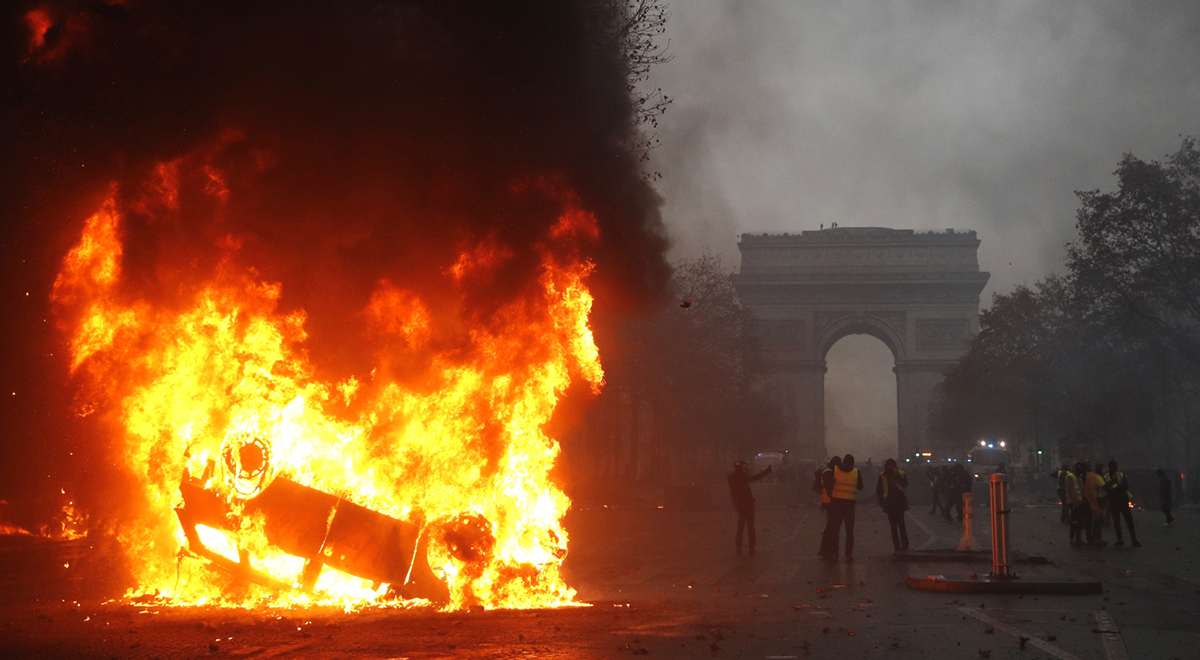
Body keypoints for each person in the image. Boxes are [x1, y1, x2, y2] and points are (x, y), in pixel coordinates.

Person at [820, 453, 863, 560]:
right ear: (852, 463)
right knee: (849, 531)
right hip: (849, 505)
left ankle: (835, 553)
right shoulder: (856, 472)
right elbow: (861, 487)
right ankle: (848, 554)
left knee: (836, 530)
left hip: (837, 504)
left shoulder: (835, 469)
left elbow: (829, 482)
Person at [728, 460, 772, 555]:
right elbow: (754, 478)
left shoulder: (732, 477)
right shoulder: (742, 476)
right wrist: (766, 471)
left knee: (741, 526)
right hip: (747, 504)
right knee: (750, 526)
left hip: (739, 504)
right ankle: (751, 547)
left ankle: (739, 548)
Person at [876, 458, 909, 554]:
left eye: (892, 465)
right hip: (889, 503)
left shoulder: (901, 473)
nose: (891, 467)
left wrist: (897, 475)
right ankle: (897, 547)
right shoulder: (882, 475)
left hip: (899, 502)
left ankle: (905, 545)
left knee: (901, 525)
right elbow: (879, 490)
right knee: (893, 527)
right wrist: (881, 502)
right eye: (889, 465)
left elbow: (905, 484)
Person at [1106, 461, 1140, 547]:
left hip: (1121, 500)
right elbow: (1107, 489)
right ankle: (1123, 539)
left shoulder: (1120, 475)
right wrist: (1118, 486)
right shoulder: (1107, 477)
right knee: (1118, 521)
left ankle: (1132, 539)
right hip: (1117, 501)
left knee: (1127, 520)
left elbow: (1125, 486)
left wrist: (1114, 487)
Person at [816, 457, 841, 556]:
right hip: (830, 502)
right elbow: (829, 488)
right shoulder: (828, 472)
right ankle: (825, 548)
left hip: (829, 502)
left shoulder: (829, 471)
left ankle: (825, 548)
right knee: (831, 526)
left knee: (830, 526)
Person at [1084, 462, 1107, 546]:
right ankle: (1097, 538)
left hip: (1086, 500)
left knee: (1088, 521)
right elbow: (1104, 487)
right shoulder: (1096, 477)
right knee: (1098, 520)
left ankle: (1089, 538)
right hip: (1096, 501)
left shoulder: (1084, 477)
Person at [1065, 462, 1086, 546]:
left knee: (1080, 521)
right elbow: (1071, 490)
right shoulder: (1069, 477)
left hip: (1080, 502)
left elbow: (1081, 489)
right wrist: (1075, 501)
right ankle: (1072, 539)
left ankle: (1078, 538)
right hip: (1073, 502)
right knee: (1074, 521)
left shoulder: (1079, 477)